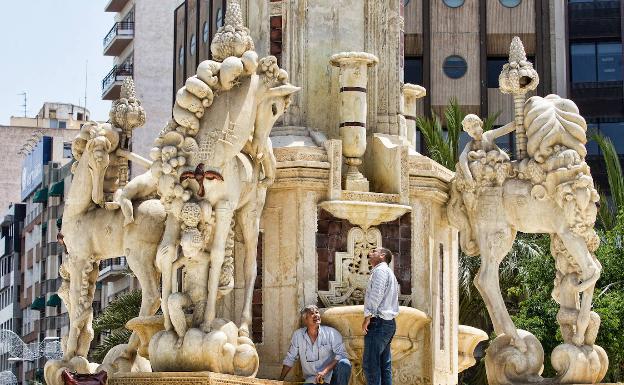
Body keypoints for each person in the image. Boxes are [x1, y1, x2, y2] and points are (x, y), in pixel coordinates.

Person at [280, 305, 352, 385]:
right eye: (312, 313)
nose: (316, 315)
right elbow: (290, 358)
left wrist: (324, 372)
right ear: (305, 320)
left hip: (331, 377)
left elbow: (341, 354)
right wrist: (280, 380)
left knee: (344, 363)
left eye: (317, 312)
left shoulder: (331, 333)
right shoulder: (298, 335)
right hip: (312, 380)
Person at [362, 247, 400, 385]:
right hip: (388, 324)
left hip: (379, 323)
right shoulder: (389, 272)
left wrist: (368, 316)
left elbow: (376, 294)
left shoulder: (380, 270)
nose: (370, 253)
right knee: (384, 366)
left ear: (382, 256)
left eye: (374, 251)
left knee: (370, 365)